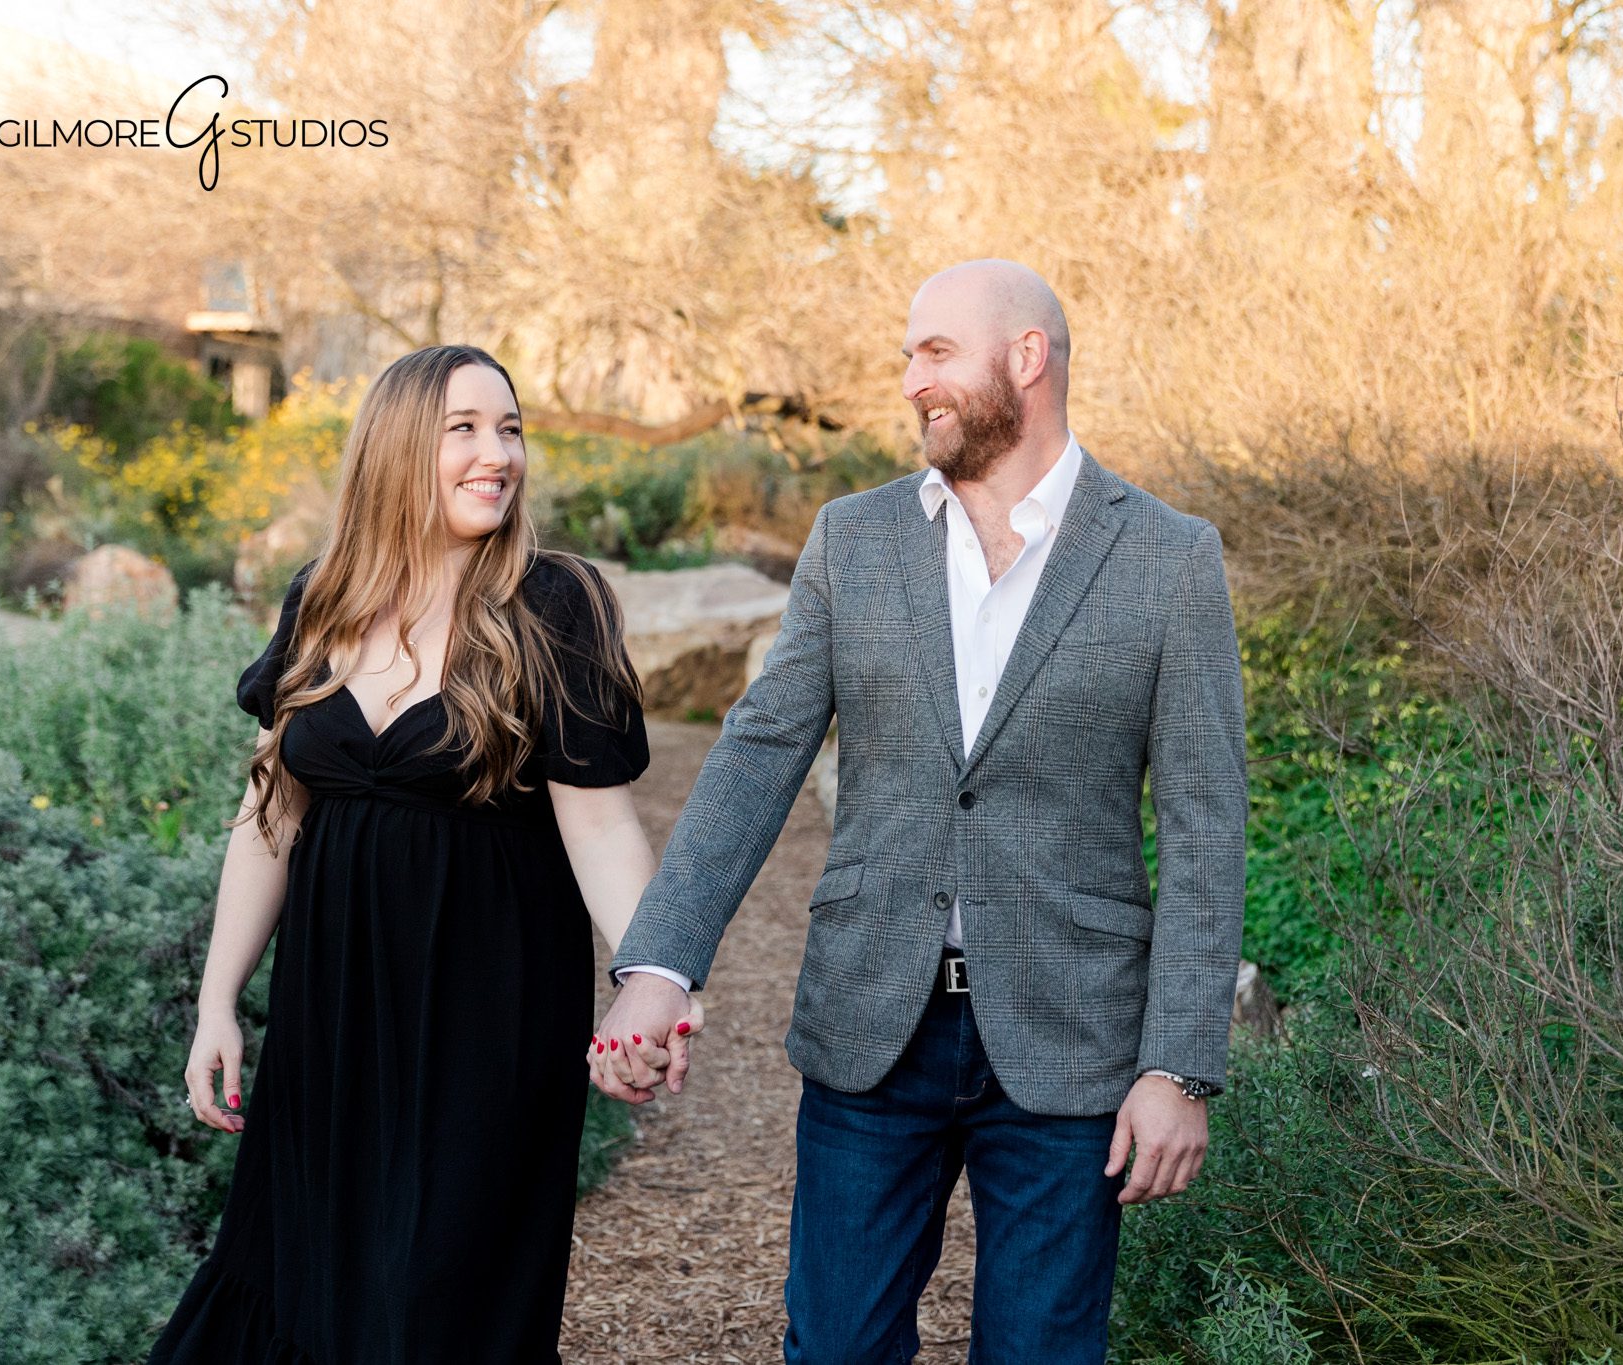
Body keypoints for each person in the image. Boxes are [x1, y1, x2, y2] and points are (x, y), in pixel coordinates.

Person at [592, 260, 1247, 1363]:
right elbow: (758, 753)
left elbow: (1203, 828)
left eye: (936, 352)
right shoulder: (853, 538)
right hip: (870, 1027)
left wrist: (1176, 1067)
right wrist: (658, 963)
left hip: (1070, 1041)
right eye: (907, 356)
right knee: (836, 1349)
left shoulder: (1168, 559)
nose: (910, 382)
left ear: (1026, 358)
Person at [148, 344, 696, 1364]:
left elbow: (601, 825)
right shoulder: (324, 595)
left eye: (511, 430)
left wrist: (654, 978)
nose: (499, 455)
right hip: (330, 1011)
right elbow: (270, 809)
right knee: (304, 1273)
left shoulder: (552, 605)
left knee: (441, 1293)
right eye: (465, 430)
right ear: (398, 449)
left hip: (487, 1014)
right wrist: (218, 1000)